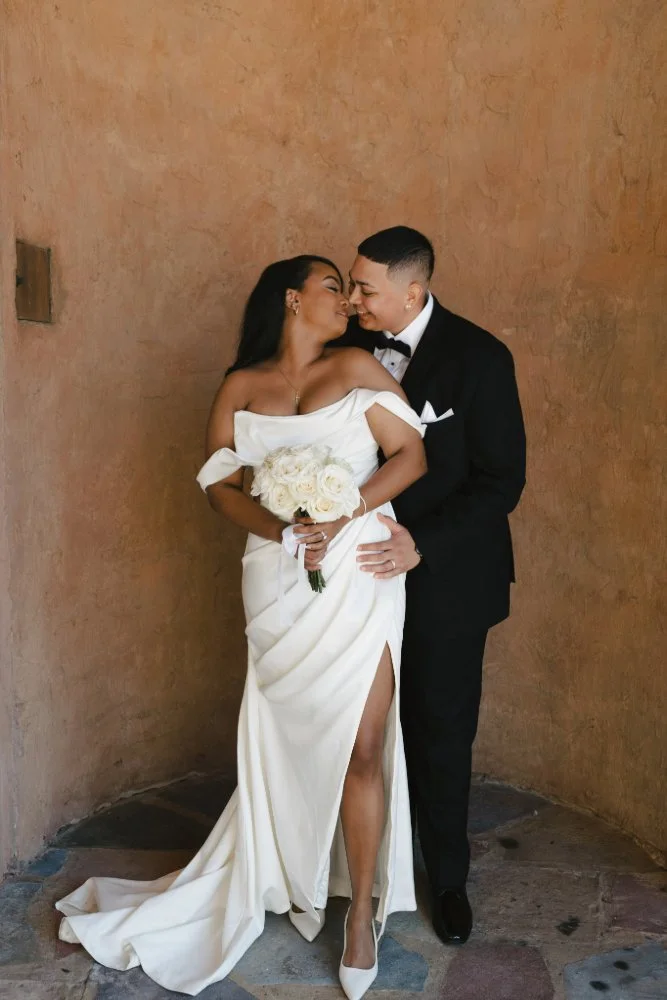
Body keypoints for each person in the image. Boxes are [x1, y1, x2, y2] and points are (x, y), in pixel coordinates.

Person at [55, 254, 427, 1000]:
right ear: (291, 299)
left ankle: (359, 917)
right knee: (289, 741)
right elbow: (219, 485)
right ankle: (287, 874)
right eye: (331, 287)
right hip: (278, 575)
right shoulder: (241, 387)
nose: (346, 302)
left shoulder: (355, 364)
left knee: (361, 746)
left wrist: (340, 513)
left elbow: (410, 455)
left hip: (358, 569)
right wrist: (281, 529)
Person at [333, 226, 526, 946]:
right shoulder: (343, 355)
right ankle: (350, 871)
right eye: (349, 286)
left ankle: (445, 879)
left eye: (365, 289)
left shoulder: (480, 357)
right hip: (356, 577)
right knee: (356, 728)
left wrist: (424, 545)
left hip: (448, 577)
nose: (352, 300)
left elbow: (501, 479)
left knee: (441, 730)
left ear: (411, 291)